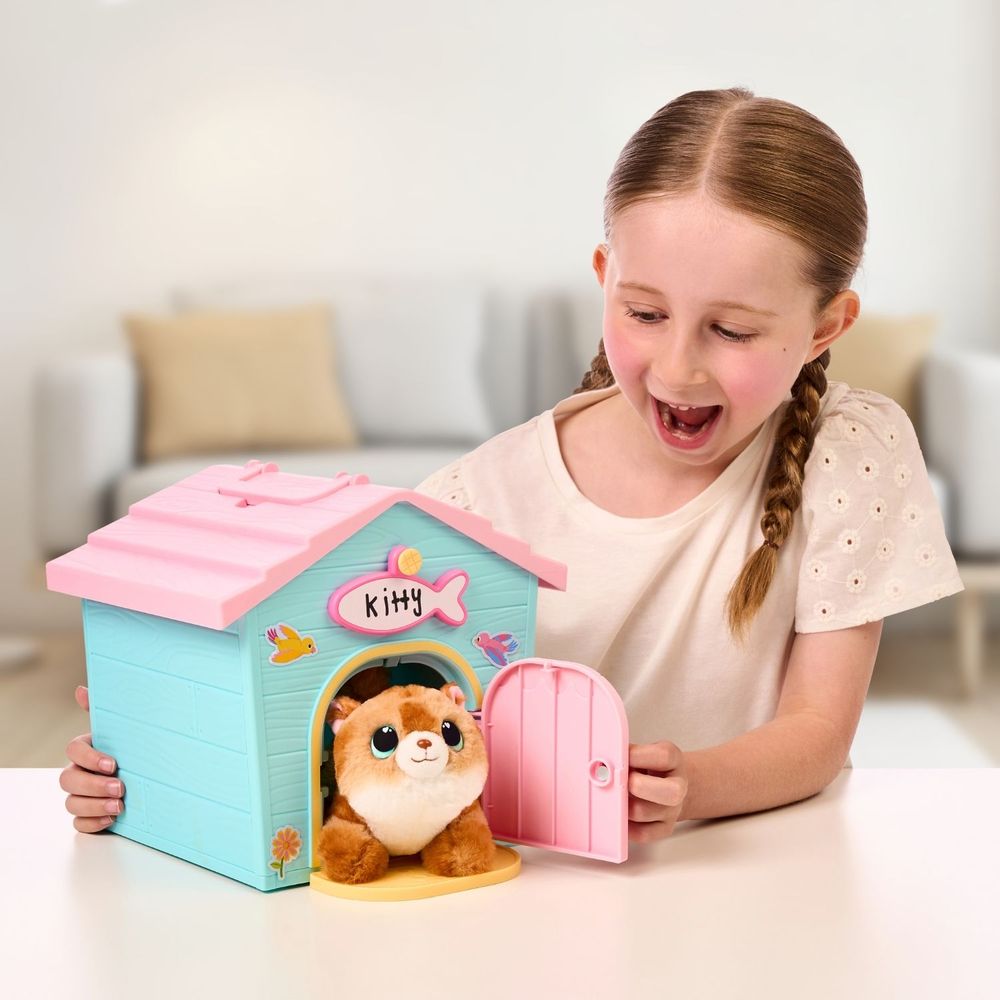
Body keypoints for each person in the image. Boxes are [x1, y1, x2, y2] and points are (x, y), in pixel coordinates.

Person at [60, 86, 964, 845]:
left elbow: (816, 730)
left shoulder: (853, 450)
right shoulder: (470, 503)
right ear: (605, 277)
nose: (679, 366)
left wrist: (691, 785)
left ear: (827, 326)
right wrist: (164, 748)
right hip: (520, 890)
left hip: (758, 874)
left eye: (731, 330)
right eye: (645, 314)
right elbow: (357, 731)